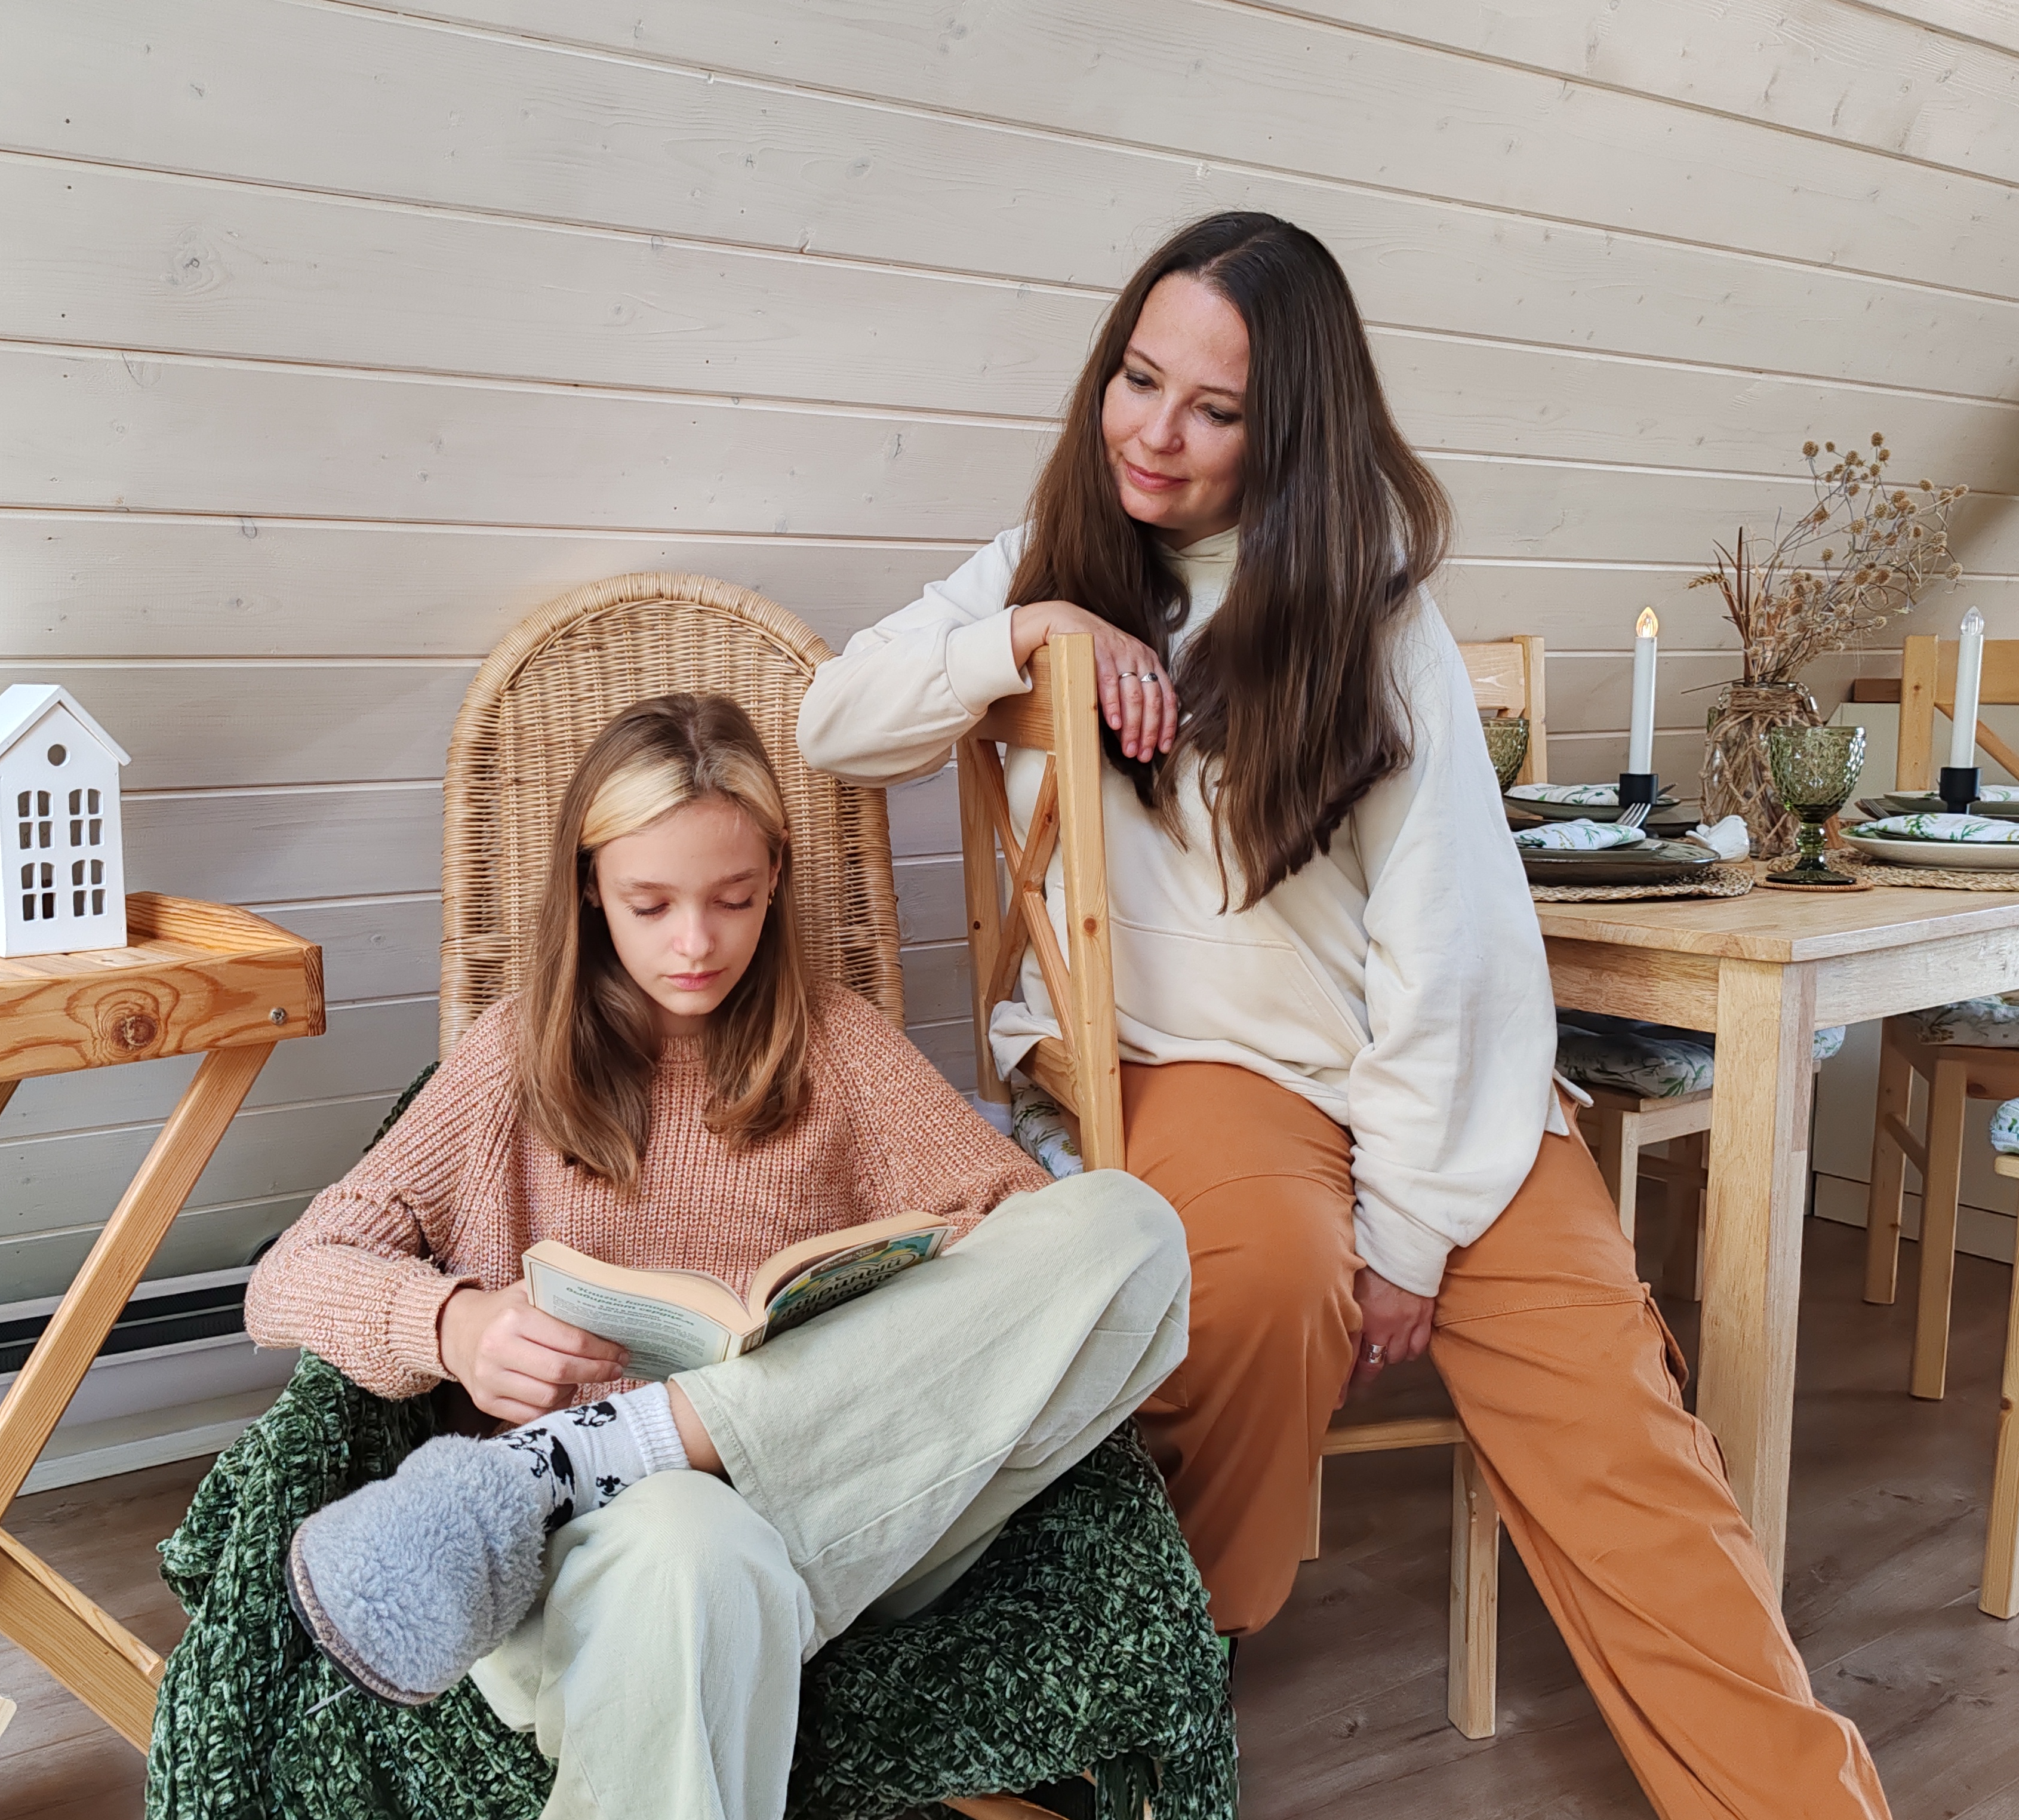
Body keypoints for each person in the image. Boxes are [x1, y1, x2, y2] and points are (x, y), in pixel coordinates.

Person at [798, 212, 1888, 1818]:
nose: (1153, 433)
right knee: (1255, 1290)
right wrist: (1024, 632)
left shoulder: (1371, 615)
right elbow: (833, 722)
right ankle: (1133, 1694)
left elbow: (1454, 945)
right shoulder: (1044, 563)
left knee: (1622, 1433)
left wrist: (1411, 1233)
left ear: (1291, 429)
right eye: (1136, 378)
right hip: (1201, 1069)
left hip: (1434, 1085)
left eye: (1215, 409)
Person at [247, 693, 1191, 1820]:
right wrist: (453, 1326)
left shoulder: (840, 1048)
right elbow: (289, 1276)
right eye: (650, 905)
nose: (694, 944)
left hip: (855, 1506)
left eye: (732, 900)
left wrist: (903, 1303)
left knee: (1130, 1230)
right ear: (590, 888)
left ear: (775, 881)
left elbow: (1032, 1238)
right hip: (595, 1559)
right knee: (693, 1546)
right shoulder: (514, 1063)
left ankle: (606, 1447)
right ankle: (588, 1472)